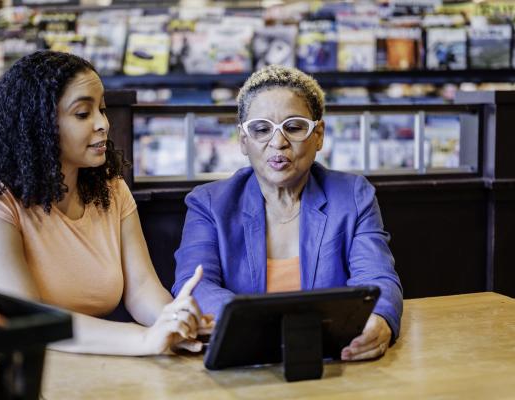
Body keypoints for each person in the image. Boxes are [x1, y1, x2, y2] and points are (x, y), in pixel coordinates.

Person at [0, 51, 210, 356]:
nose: (102, 124)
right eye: (83, 113)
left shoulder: (111, 189)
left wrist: (177, 320)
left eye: (102, 109)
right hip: (27, 369)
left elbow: (142, 289)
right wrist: (143, 340)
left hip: (99, 363)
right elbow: (26, 318)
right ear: (39, 123)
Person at [172, 65, 402, 361]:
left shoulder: (353, 196)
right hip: (242, 364)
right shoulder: (209, 204)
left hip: (333, 363)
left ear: (318, 135)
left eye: (293, 127)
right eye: (261, 129)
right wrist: (269, 328)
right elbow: (195, 285)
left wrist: (380, 320)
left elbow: (378, 278)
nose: (278, 142)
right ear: (243, 140)